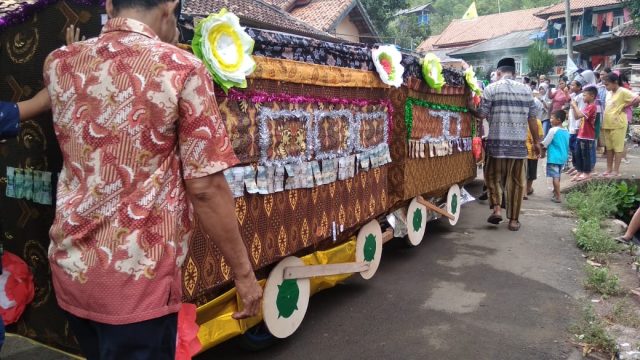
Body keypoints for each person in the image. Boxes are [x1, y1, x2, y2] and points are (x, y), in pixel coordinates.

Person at [42, 0, 263, 358]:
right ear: (170, 4)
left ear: (110, 4)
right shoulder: (181, 68)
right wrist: (243, 273)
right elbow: (205, 188)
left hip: (73, 270)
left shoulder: (58, 63)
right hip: (136, 282)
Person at [468, 57, 540, 232]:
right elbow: (532, 118)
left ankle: (497, 209)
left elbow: (482, 114)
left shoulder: (491, 89)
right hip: (518, 147)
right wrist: (537, 142)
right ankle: (514, 221)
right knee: (516, 183)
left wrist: (470, 107)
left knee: (493, 178)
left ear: (499, 73)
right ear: (515, 74)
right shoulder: (527, 90)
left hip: (496, 145)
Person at [601, 72, 640, 177]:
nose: (606, 86)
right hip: (608, 123)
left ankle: (616, 170)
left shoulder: (622, 91)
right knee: (609, 148)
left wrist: (626, 105)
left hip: (618, 123)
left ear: (615, 82)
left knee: (617, 148)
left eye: (607, 84)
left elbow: (637, 98)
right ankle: (609, 169)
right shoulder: (609, 93)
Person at [570, 86, 598, 181]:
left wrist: (575, 106)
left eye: (585, 95)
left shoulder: (592, 107)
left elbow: (579, 115)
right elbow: (577, 117)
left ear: (592, 96)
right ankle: (580, 171)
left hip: (587, 136)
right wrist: (573, 107)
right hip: (581, 134)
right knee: (578, 154)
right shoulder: (587, 106)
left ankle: (587, 172)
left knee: (586, 155)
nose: (583, 97)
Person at [541, 110, 570, 203]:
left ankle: (558, 196)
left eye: (552, 118)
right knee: (558, 176)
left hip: (554, 157)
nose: (550, 119)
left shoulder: (553, 130)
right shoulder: (566, 131)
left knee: (555, 177)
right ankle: (555, 193)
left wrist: (540, 146)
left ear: (558, 120)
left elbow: (546, 142)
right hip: (563, 157)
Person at [567, 80, 584, 177]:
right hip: (572, 126)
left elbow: (580, 111)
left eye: (573, 85)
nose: (570, 86)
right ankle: (575, 166)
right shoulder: (574, 96)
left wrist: (578, 126)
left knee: (576, 148)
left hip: (576, 126)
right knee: (572, 147)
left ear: (579, 87)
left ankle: (579, 167)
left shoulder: (581, 97)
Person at [524, 117, 543, 200]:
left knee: (523, 173)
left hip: (522, 151)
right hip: (533, 152)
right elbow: (540, 135)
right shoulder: (537, 121)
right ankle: (527, 190)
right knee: (531, 174)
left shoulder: (521, 119)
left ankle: (524, 192)